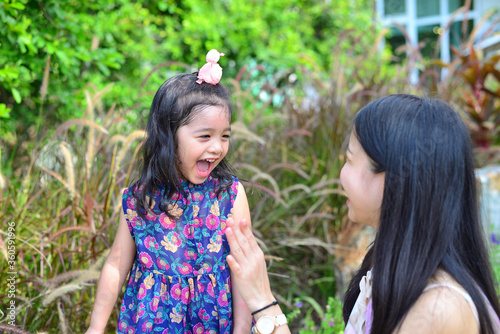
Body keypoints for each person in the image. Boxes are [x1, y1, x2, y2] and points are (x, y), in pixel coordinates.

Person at [225, 94, 500, 334]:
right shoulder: (391, 271)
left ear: (391, 179)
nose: (340, 175)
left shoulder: (438, 308)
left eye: (349, 159)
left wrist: (263, 303)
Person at [85, 49, 253, 334]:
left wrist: (240, 329)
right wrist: (95, 328)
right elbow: (115, 265)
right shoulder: (139, 200)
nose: (217, 147)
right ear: (168, 136)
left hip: (214, 325)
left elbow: (244, 270)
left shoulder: (229, 196)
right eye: (205, 136)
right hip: (152, 324)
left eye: (225, 135)